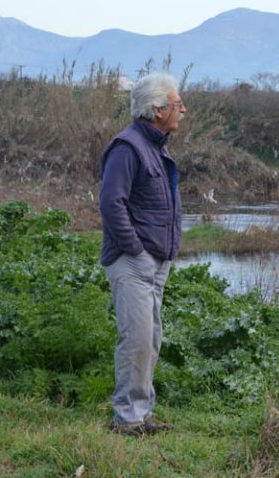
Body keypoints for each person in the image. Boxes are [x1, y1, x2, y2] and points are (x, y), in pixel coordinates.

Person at [99, 72, 185, 436]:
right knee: (135, 337)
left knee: (149, 337)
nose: (183, 109)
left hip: (154, 262)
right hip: (133, 261)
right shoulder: (128, 147)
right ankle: (128, 418)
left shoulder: (156, 145)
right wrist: (135, 249)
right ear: (158, 109)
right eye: (177, 104)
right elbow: (110, 202)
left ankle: (141, 412)